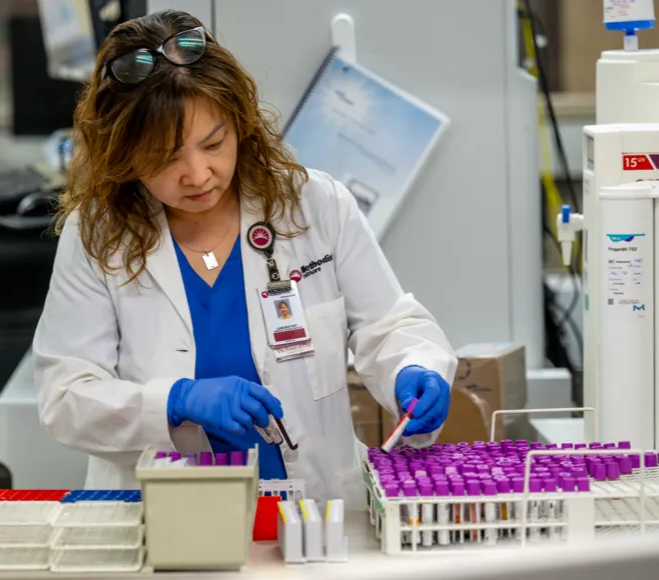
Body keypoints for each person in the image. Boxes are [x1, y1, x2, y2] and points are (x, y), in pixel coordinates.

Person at [32, 9, 457, 507]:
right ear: (123, 153)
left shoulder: (313, 205)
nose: (198, 174)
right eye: (165, 158)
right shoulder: (99, 236)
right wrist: (173, 402)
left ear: (240, 122)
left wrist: (414, 367)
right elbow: (65, 397)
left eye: (214, 144)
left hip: (312, 515)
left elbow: (389, 326)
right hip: (167, 519)